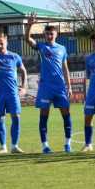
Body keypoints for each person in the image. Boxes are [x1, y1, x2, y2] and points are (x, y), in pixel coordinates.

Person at [25, 13, 72, 153]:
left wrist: (68, 86)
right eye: (47, 34)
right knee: (44, 115)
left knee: (66, 114)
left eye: (51, 34)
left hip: (60, 87)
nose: (49, 36)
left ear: (56, 34)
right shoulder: (41, 47)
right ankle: (45, 145)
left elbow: (65, 68)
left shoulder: (62, 49)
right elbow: (27, 39)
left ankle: (67, 144)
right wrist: (29, 26)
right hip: (46, 87)